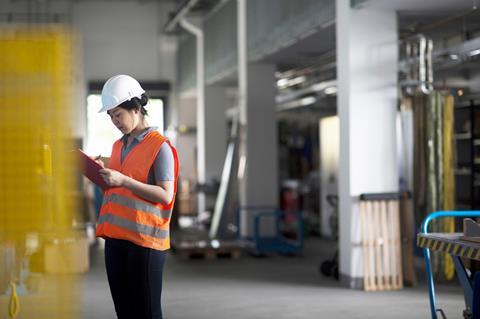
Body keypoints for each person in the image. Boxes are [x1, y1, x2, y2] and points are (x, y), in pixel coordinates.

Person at [94, 74, 178, 319]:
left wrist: (123, 180)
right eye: (110, 116)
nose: (114, 121)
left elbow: (165, 194)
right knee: (125, 311)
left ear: (136, 108)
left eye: (118, 114)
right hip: (116, 239)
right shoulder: (118, 146)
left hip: (146, 242)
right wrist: (100, 176)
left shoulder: (160, 147)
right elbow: (117, 192)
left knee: (146, 312)